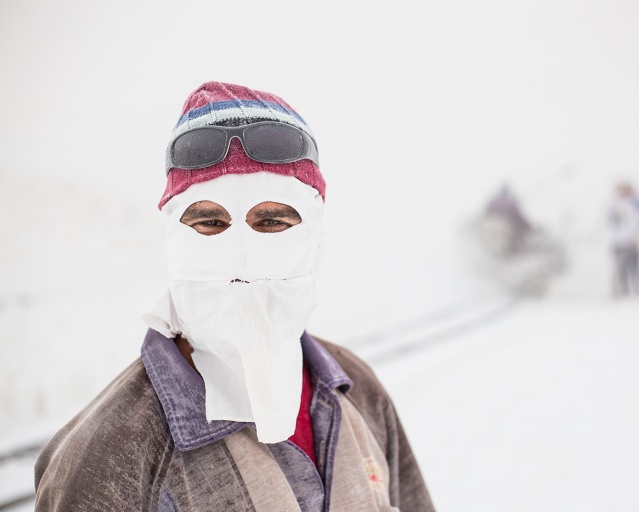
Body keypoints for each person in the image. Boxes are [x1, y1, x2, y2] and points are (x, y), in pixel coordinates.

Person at [34, 82, 434, 512]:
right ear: (173, 240)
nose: (242, 256)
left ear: (314, 238)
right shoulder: (108, 457)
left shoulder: (358, 393)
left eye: (272, 222)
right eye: (210, 222)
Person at [606, 181, 639, 297]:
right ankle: (621, 290)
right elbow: (607, 222)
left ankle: (637, 290)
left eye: (626, 190)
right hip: (617, 241)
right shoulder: (612, 204)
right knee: (619, 267)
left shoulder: (637, 203)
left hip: (632, 241)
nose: (623, 193)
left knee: (634, 266)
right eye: (621, 190)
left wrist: (635, 236)